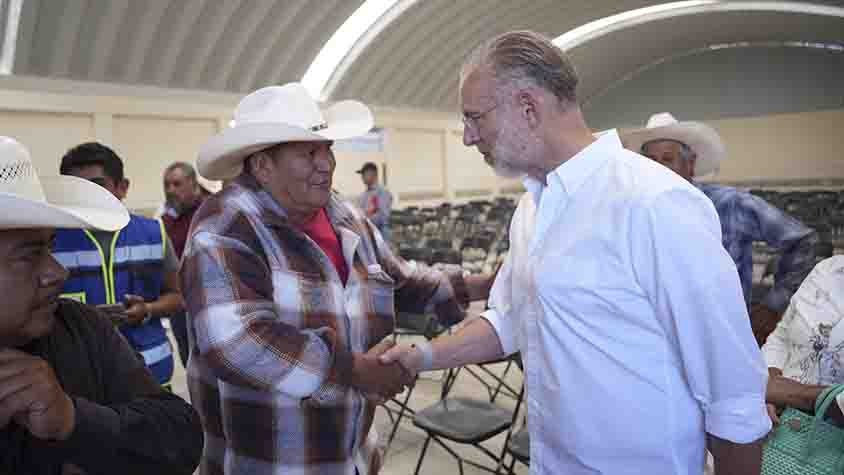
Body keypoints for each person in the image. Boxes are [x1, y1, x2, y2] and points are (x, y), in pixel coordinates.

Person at [379, 30, 770, 474]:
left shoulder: (652, 202)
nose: (469, 137)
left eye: (474, 118)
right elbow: (509, 319)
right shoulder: (532, 208)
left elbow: (732, 393)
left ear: (528, 107)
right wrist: (421, 357)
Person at [184, 82, 491, 475]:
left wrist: (483, 284)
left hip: (351, 456)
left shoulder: (344, 216)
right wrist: (357, 371)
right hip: (273, 463)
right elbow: (237, 342)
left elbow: (402, 280)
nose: (326, 163)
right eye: (309, 152)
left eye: (327, 148)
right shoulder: (226, 227)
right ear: (262, 165)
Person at [0, 136, 202, 474]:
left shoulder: (81, 328)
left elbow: (180, 437)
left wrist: (75, 420)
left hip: (150, 364)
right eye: (29, 254)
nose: (57, 272)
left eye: (49, 247)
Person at [623, 113, 817, 345]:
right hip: (661, 342)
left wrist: (772, 306)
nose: (658, 169)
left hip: (727, 340)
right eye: (651, 161)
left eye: (667, 159)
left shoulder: (729, 204)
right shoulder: (636, 212)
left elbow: (803, 241)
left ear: (690, 163)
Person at [52, 142, 183, 387]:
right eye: (76, 187)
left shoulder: (153, 233)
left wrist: (147, 310)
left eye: (97, 186)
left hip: (151, 374)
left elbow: (177, 296)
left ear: (122, 187)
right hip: (79, 379)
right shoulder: (49, 240)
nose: (86, 195)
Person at [763, 255, 844, 424]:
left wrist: (787, 393)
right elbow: (782, 338)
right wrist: (769, 380)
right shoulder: (827, 270)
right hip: (778, 426)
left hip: (831, 441)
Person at [161, 161, 210, 366]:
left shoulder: (209, 212)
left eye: (177, 184)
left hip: (208, 301)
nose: (171, 190)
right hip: (180, 305)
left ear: (193, 184)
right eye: (167, 185)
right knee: (189, 362)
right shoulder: (166, 219)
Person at [356, 161, 393, 242]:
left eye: (364, 174)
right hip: (367, 236)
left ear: (373, 174)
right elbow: (360, 214)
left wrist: (366, 222)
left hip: (381, 236)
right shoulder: (362, 196)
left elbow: (383, 216)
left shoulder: (382, 193)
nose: (362, 177)